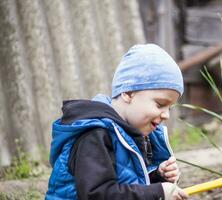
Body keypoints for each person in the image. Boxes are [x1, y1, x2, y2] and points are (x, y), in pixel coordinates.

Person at [45, 44, 189, 200]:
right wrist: (156, 192)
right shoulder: (94, 136)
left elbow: (123, 183)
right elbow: (97, 194)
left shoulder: (129, 133)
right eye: (160, 104)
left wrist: (157, 177)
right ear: (128, 93)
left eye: (170, 108)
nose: (166, 115)